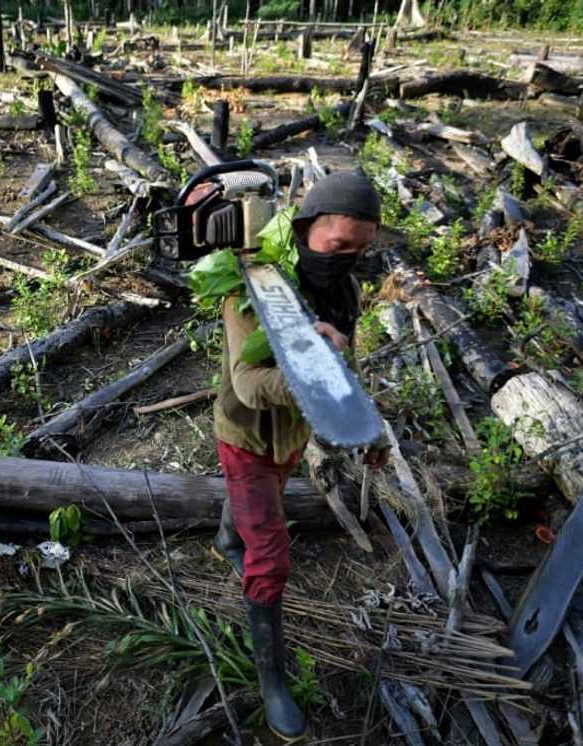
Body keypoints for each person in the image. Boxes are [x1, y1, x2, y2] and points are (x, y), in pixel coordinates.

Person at [210, 170, 388, 741]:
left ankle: (225, 538)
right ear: (308, 228)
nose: (349, 259)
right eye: (340, 246)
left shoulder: (345, 292)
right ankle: (273, 683)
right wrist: (314, 372)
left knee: (265, 500)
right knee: (272, 560)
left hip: (290, 439)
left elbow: (345, 369)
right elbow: (246, 385)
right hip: (246, 438)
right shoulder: (252, 290)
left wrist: (364, 428)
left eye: (361, 249)